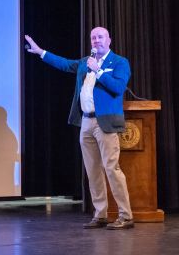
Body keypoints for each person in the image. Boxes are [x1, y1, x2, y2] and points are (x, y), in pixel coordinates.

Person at [24, 27, 134, 230]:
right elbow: (65, 64)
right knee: (93, 171)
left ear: (109, 40)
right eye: (93, 37)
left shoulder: (119, 62)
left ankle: (126, 216)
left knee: (112, 168)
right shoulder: (84, 62)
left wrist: (98, 71)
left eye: (100, 37)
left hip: (106, 122)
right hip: (86, 122)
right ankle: (100, 215)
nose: (96, 40)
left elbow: (118, 87)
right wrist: (41, 52)